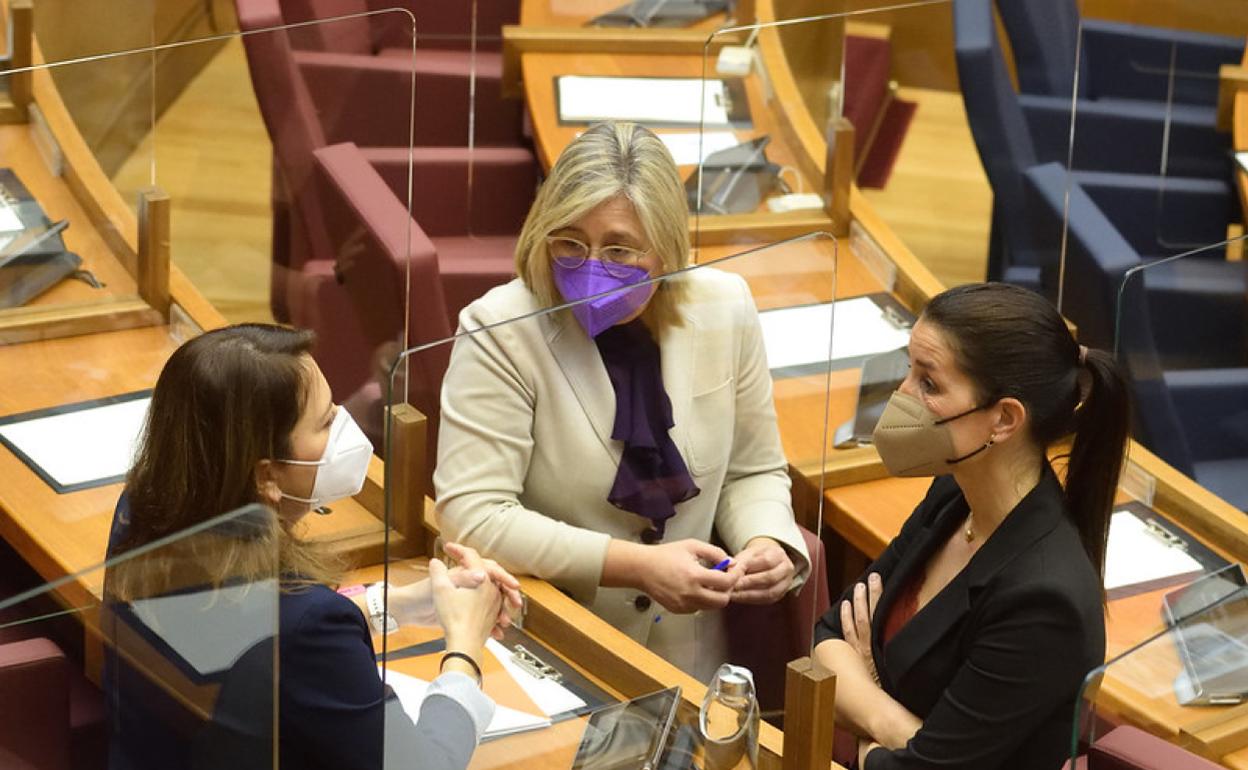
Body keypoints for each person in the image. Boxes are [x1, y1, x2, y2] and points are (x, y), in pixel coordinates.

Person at [433, 121, 811, 680]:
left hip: (687, 659)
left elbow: (752, 469)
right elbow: (474, 516)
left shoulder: (724, 306)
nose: (590, 267)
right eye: (569, 243)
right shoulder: (501, 327)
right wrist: (635, 566)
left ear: (665, 250)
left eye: (618, 249)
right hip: (551, 647)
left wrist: (766, 540)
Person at [103, 323, 522, 770]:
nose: (344, 422)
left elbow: (246, 641)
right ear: (266, 476)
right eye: (325, 422)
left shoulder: (141, 511)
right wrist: (465, 651)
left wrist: (399, 605)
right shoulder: (303, 625)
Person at [813, 282, 1131, 770]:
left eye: (929, 384)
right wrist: (893, 721)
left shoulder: (1046, 599)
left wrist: (868, 693)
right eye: (908, 371)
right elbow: (826, 640)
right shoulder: (952, 495)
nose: (901, 396)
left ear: (1004, 420)